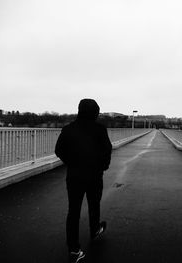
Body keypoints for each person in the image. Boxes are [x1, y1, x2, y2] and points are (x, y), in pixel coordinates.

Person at [55, 99, 112, 263]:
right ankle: (95, 229)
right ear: (95, 112)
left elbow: (59, 150)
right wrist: (103, 166)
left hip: (74, 176)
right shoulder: (100, 129)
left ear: (79, 110)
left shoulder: (68, 129)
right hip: (94, 175)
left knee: (73, 211)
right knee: (94, 204)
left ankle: (74, 249)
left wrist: (71, 162)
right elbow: (106, 150)